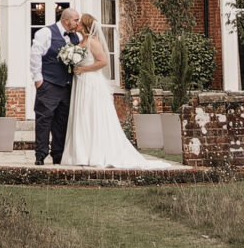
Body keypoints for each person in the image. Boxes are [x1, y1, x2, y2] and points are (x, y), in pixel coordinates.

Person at [60, 10, 170, 170]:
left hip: (91, 83)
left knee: (92, 116)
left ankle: (96, 154)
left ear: (84, 25)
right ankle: (81, 154)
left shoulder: (93, 42)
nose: (76, 24)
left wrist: (83, 70)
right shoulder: (79, 41)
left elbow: (103, 61)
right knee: (82, 115)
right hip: (81, 83)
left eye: (79, 22)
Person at [33, 6, 81, 166]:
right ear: (66, 20)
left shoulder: (77, 37)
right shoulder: (45, 33)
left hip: (67, 87)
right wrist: (38, 79)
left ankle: (58, 155)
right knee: (44, 120)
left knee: (62, 122)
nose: (78, 23)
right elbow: (35, 55)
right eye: (76, 20)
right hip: (49, 84)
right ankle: (40, 155)